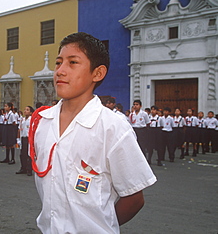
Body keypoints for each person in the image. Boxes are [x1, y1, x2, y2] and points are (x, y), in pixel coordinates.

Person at [30, 32, 156, 233]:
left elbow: (134, 198)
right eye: (58, 63)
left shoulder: (113, 127)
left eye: (73, 63)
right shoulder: (43, 123)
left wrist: (98, 224)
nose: (60, 71)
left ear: (97, 73)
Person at [16, 106, 34, 176]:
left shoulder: (31, 120)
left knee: (29, 154)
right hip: (23, 137)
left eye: (27, 110)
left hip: (29, 138)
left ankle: (29, 169)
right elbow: (19, 129)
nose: (25, 111)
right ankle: (23, 168)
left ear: (31, 113)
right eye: (25, 109)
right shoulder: (22, 120)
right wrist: (18, 139)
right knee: (22, 154)